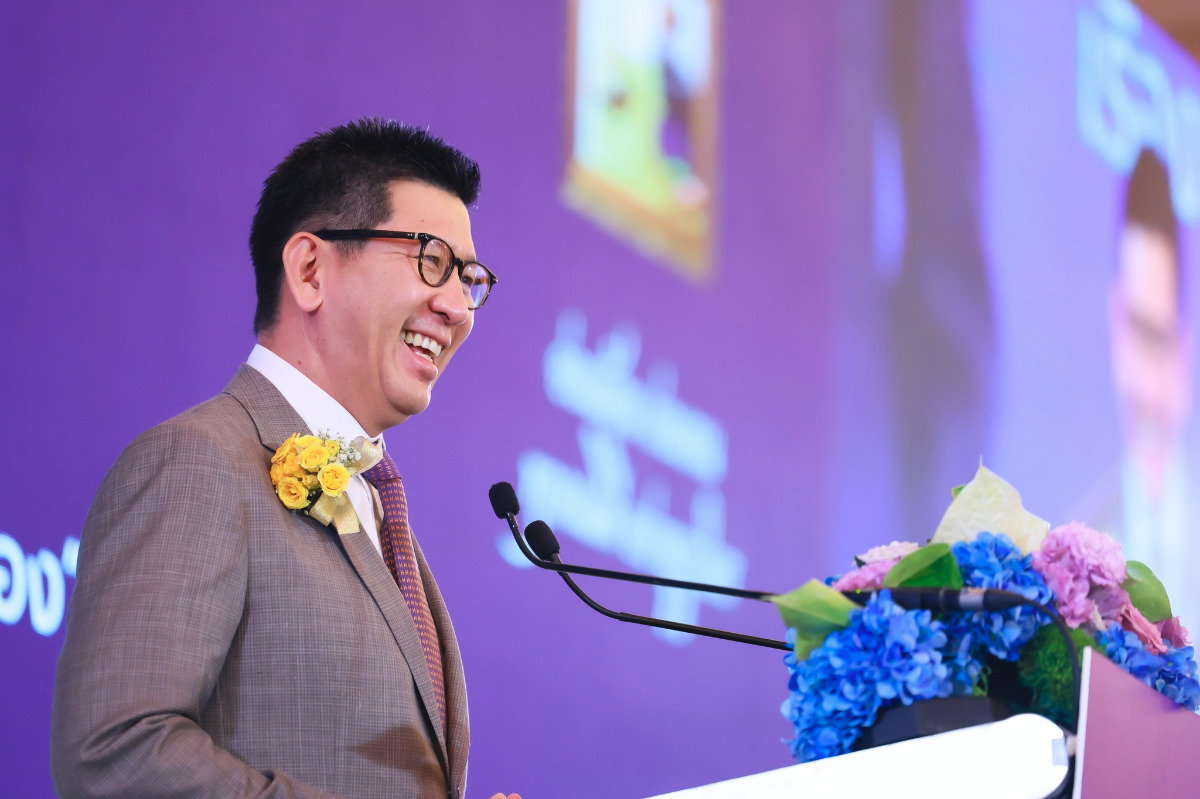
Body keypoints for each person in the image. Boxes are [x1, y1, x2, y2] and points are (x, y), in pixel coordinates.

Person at [51, 119, 519, 799]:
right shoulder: (200, 461)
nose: (456, 307)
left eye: (469, 278)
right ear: (309, 270)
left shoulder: (376, 506)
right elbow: (115, 751)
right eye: (431, 260)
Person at [1103, 146, 1195, 628]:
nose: (1146, 374)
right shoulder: (1077, 551)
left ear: (1186, 347)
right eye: (1135, 331)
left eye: (1157, 338)